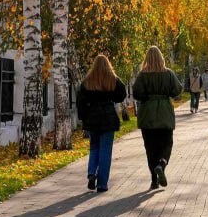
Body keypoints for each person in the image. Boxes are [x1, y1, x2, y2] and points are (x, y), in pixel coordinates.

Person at [132, 45, 182, 190]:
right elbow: (177, 90)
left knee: (150, 148)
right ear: (161, 58)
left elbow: (136, 93)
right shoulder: (168, 74)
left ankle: (154, 180)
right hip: (165, 113)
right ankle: (162, 164)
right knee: (167, 143)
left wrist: (147, 97)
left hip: (148, 115)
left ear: (147, 59)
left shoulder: (142, 75)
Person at [76, 55, 127, 193]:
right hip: (108, 118)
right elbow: (122, 94)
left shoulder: (88, 80)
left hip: (92, 118)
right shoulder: (112, 79)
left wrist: (83, 117)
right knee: (105, 150)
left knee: (94, 147)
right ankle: (102, 184)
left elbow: (80, 100)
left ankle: (92, 173)